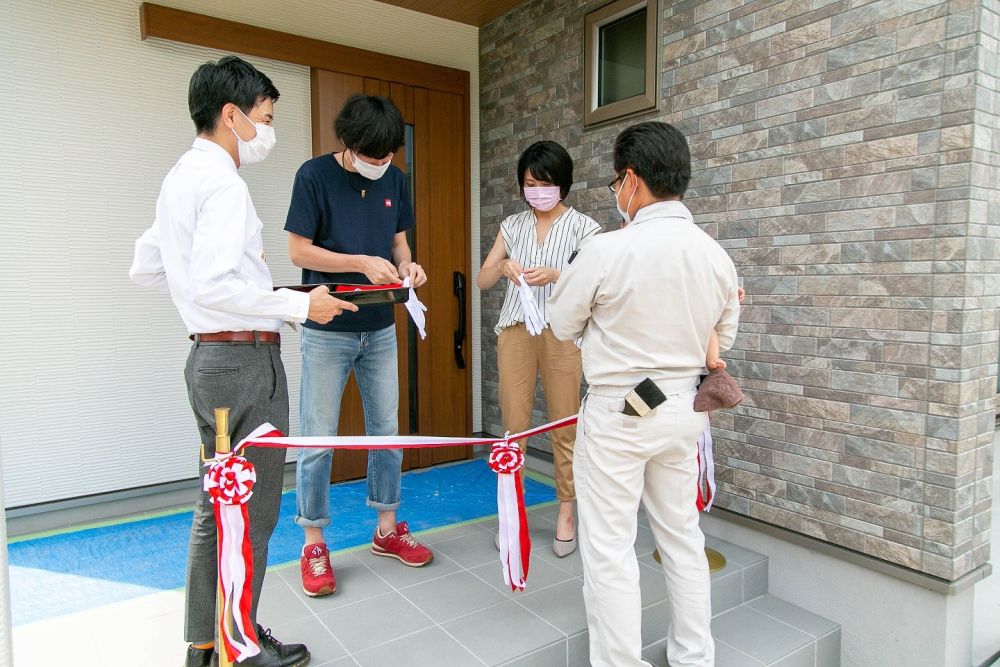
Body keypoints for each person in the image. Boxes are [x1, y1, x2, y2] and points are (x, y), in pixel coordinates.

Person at [130, 56, 355, 667]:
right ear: (232, 115)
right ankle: (240, 646)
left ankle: (207, 645)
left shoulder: (180, 176)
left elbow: (150, 267)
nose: (268, 131)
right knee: (252, 511)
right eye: (265, 118)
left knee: (217, 505)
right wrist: (296, 304)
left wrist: (243, 293)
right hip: (244, 363)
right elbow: (213, 284)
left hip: (206, 360)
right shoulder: (224, 182)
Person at [547, 121, 740, 667]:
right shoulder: (716, 256)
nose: (617, 193)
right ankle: (693, 656)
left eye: (616, 183)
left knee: (610, 549)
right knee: (682, 537)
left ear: (631, 180)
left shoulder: (607, 250)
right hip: (684, 409)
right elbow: (720, 342)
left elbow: (562, 323)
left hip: (622, 410)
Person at [285, 94, 431, 598]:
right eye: (372, 155)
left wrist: (408, 267)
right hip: (326, 327)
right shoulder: (313, 176)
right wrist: (360, 263)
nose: (382, 164)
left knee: (386, 431)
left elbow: (399, 243)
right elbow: (298, 249)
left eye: (389, 155)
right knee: (316, 438)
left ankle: (387, 531)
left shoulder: (395, 178)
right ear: (347, 145)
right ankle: (313, 542)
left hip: (381, 325)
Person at [477, 140, 600, 556]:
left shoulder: (585, 227)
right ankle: (512, 512)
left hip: (563, 331)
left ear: (563, 185)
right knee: (514, 429)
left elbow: (598, 283)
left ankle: (567, 511)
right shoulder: (512, 225)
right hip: (516, 330)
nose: (538, 191)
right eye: (530, 183)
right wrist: (503, 265)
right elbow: (482, 280)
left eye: (546, 183)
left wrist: (558, 275)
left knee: (565, 424)